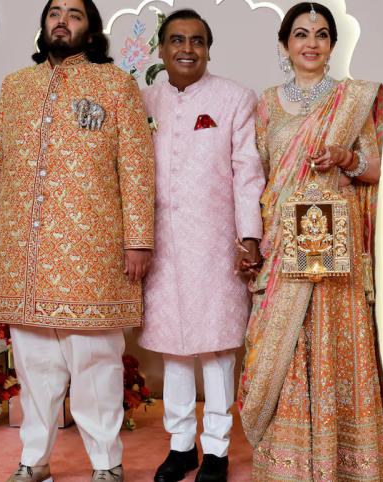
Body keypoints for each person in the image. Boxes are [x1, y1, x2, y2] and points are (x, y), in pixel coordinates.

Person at [0, 0, 155, 480]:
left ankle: (106, 465)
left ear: (90, 31)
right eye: (54, 13)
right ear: (44, 26)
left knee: (96, 367)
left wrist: (139, 240)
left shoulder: (116, 84)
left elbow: (136, 168)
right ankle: (35, 461)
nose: (61, 20)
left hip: (93, 250)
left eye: (73, 13)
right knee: (35, 368)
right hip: (25, 253)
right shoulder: (16, 88)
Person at [236, 2, 383, 480]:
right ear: (285, 44)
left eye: (321, 35)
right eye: (301, 34)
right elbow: (254, 175)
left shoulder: (354, 98)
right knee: (284, 342)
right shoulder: (265, 103)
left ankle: (344, 459)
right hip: (284, 240)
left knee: (333, 340)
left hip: (331, 238)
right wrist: (253, 239)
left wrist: (345, 155)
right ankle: (289, 461)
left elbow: (372, 170)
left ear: (332, 45)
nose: (311, 43)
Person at [137, 9, 265, 482]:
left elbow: (247, 171)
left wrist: (249, 237)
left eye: (196, 41)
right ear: (161, 49)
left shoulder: (234, 98)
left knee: (216, 350)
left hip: (216, 242)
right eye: (176, 40)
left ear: (208, 49)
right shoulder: (143, 101)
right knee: (173, 351)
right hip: (160, 245)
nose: (186, 49)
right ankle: (180, 446)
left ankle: (215, 450)